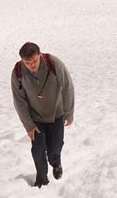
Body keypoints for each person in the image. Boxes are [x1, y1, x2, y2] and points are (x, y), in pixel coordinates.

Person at [11, 41, 74, 187]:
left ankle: (56, 162)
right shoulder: (17, 72)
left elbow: (68, 87)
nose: (31, 65)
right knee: (38, 149)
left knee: (54, 149)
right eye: (28, 62)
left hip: (56, 114)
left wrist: (69, 112)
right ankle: (41, 179)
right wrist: (28, 125)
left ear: (40, 55)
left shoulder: (54, 64)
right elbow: (19, 101)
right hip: (36, 118)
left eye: (34, 60)